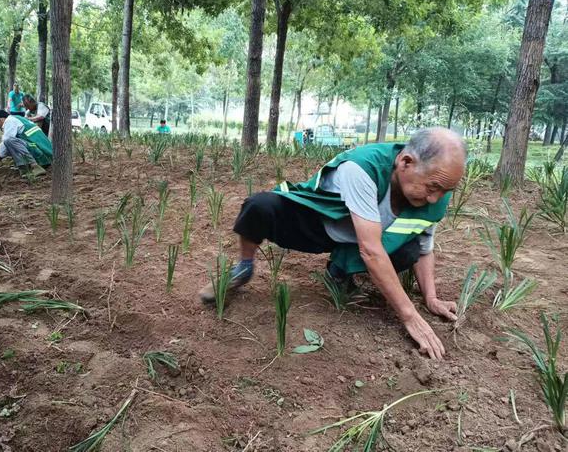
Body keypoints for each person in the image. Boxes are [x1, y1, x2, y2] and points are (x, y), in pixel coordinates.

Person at [199, 127, 466, 360]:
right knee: (259, 206)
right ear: (406, 162)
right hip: (319, 223)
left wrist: (430, 297)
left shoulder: (434, 191)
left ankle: (339, 272)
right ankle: (244, 267)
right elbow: (371, 251)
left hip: (363, 240)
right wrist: (410, 317)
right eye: (433, 188)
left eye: (445, 191)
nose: (436, 199)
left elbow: (423, 244)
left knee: (407, 249)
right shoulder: (363, 167)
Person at [0, 109, 51, 178]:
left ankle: (34, 167)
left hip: (41, 154)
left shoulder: (9, 121)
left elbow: (7, 142)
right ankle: (26, 168)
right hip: (45, 152)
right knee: (10, 142)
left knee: (9, 141)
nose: (0, 129)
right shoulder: (17, 118)